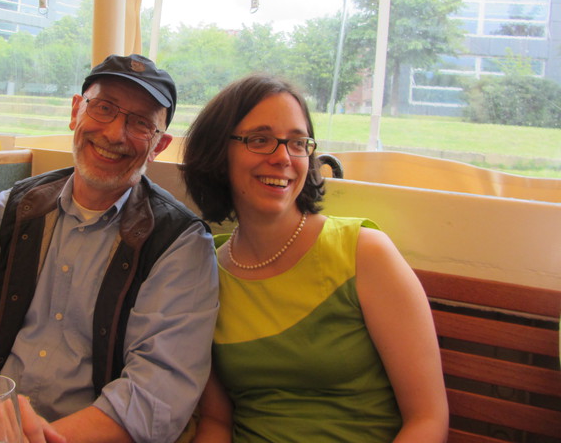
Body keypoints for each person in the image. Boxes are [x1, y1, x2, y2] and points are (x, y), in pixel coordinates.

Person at [0, 54, 218, 443]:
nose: (115, 134)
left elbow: (155, 395)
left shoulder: (180, 244)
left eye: (141, 123)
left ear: (159, 144)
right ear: (76, 111)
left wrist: (22, 440)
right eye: (104, 108)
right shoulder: (12, 208)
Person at [181, 74, 448, 442]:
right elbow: (217, 422)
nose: (282, 158)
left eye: (297, 143)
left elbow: (428, 419)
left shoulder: (363, 253)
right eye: (260, 140)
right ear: (217, 153)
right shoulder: (206, 271)